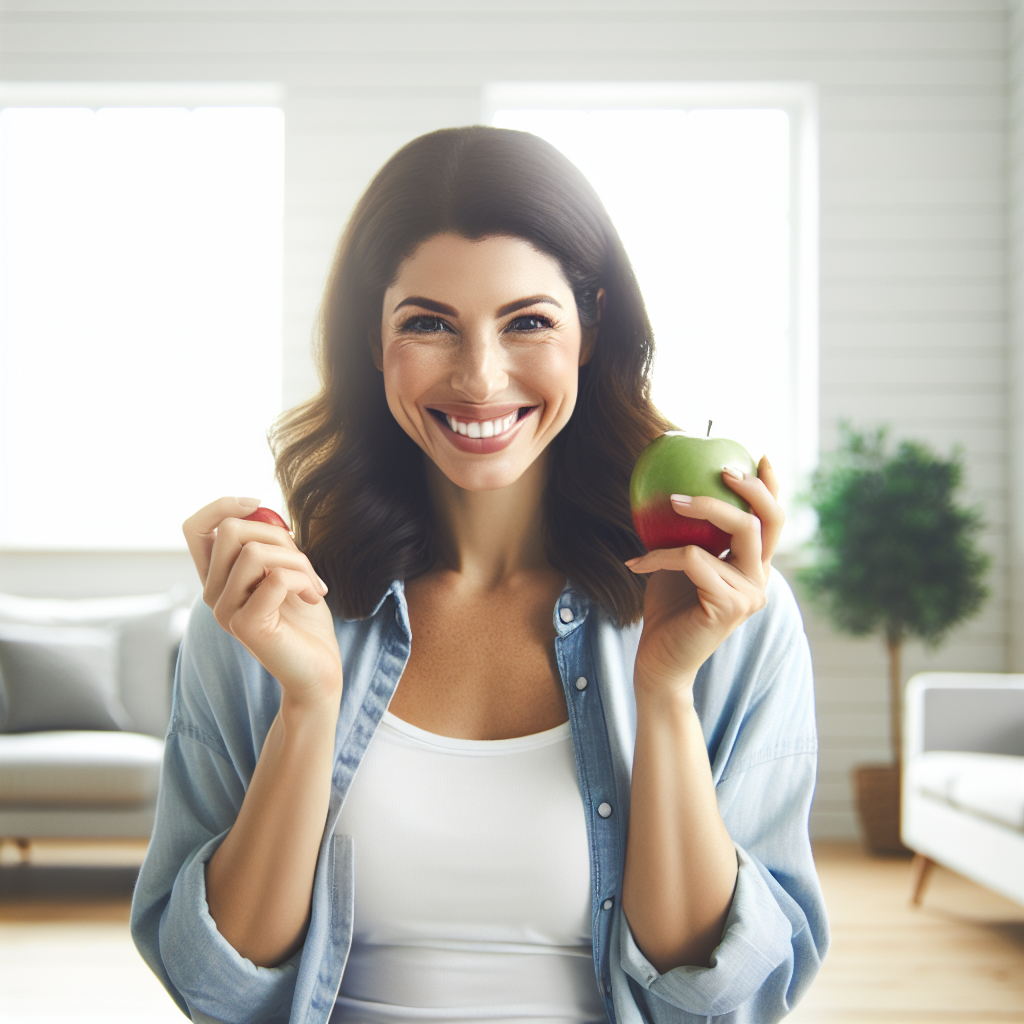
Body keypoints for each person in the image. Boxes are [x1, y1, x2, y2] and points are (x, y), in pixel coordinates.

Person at [130, 125, 828, 1024]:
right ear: (371, 340)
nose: (480, 377)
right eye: (427, 323)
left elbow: (723, 999)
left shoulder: (730, 612)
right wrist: (307, 704)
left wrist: (664, 693)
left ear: (590, 328)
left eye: (528, 320)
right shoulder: (267, 610)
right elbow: (214, 989)